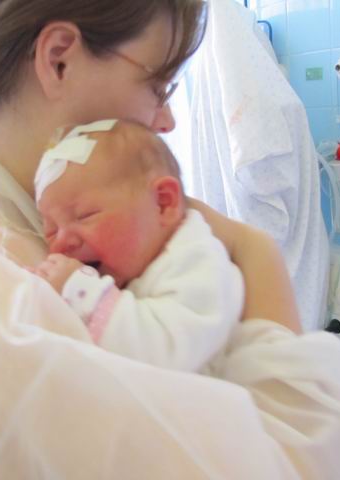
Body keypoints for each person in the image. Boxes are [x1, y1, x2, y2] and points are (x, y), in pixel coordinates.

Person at [0, 1, 340, 479]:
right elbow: (321, 461)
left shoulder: (27, 237)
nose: (167, 120)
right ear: (58, 60)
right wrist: (254, 252)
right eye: (158, 86)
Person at [32, 119, 243, 372]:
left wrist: (81, 293)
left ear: (163, 203)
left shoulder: (199, 264)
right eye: (51, 229)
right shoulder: (137, 264)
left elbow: (165, 354)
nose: (63, 241)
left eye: (84, 215)